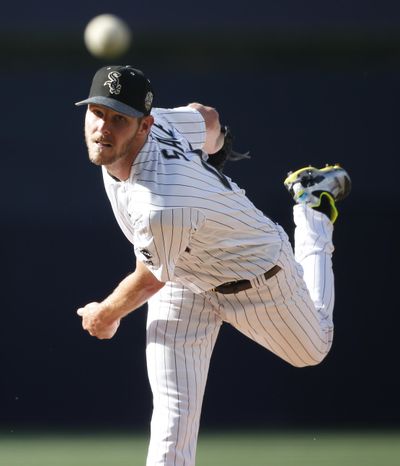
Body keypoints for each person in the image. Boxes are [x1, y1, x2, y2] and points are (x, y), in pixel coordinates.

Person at [75, 65, 351, 466]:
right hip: (185, 280)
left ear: (143, 127)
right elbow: (206, 117)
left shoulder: (160, 202)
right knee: (172, 421)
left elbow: (150, 276)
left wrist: (106, 313)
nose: (104, 127)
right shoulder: (162, 123)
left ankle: (312, 208)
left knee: (314, 349)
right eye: (98, 112)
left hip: (257, 275)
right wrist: (216, 141)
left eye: (120, 118)